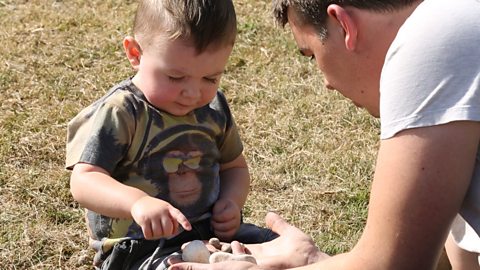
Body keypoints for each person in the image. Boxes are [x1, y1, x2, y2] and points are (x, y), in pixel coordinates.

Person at [169, 0, 480, 269]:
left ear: (343, 24)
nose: (326, 83)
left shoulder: (429, 42)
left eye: (311, 55)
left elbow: (393, 264)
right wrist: (317, 262)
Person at [65, 1, 277, 269]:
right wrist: (137, 203)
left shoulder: (213, 108)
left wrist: (231, 202)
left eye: (210, 79)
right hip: (139, 247)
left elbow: (234, 166)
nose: (192, 93)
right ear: (135, 53)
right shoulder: (122, 112)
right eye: (176, 78)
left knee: (278, 247)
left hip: (210, 235)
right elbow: (85, 181)